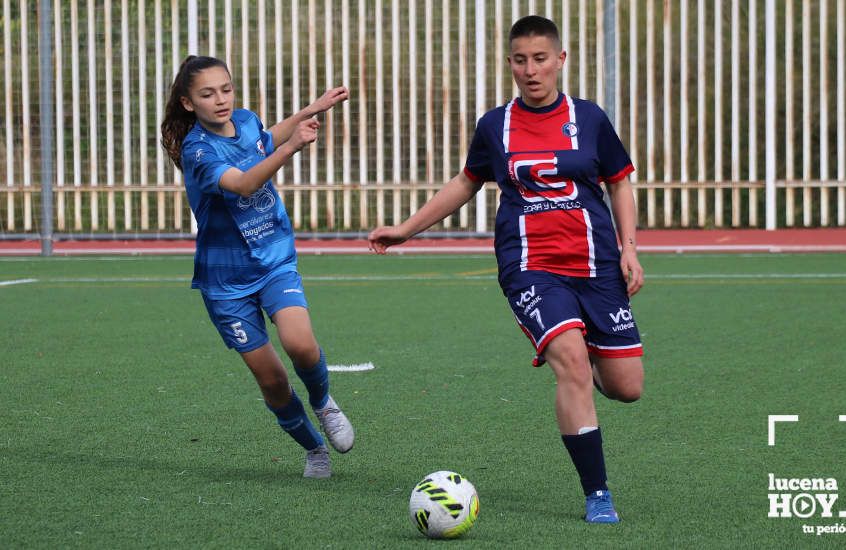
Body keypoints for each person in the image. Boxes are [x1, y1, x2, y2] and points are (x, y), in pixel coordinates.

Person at [369, 16, 644, 523]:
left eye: (540, 59)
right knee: (572, 365)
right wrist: (406, 229)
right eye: (520, 60)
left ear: (560, 60)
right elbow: (465, 182)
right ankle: (597, 493)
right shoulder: (495, 126)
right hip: (529, 266)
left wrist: (629, 247)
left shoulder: (591, 119)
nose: (530, 70)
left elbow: (620, 183)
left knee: (627, 387)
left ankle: (582, 348)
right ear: (510, 64)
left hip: (598, 265)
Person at [161, 55, 354, 479]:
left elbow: (264, 139)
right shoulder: (197, 150)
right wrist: (292, 147)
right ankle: (314, 449)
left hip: (273, 258)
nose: (221, 100)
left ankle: (324, 403)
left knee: (301, 343)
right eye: (207, 94)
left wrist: (311, 109)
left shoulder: (246, 120)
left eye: (226, 89)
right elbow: (245, 182)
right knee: (273, 382)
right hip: (226, 282)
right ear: (188, 103)